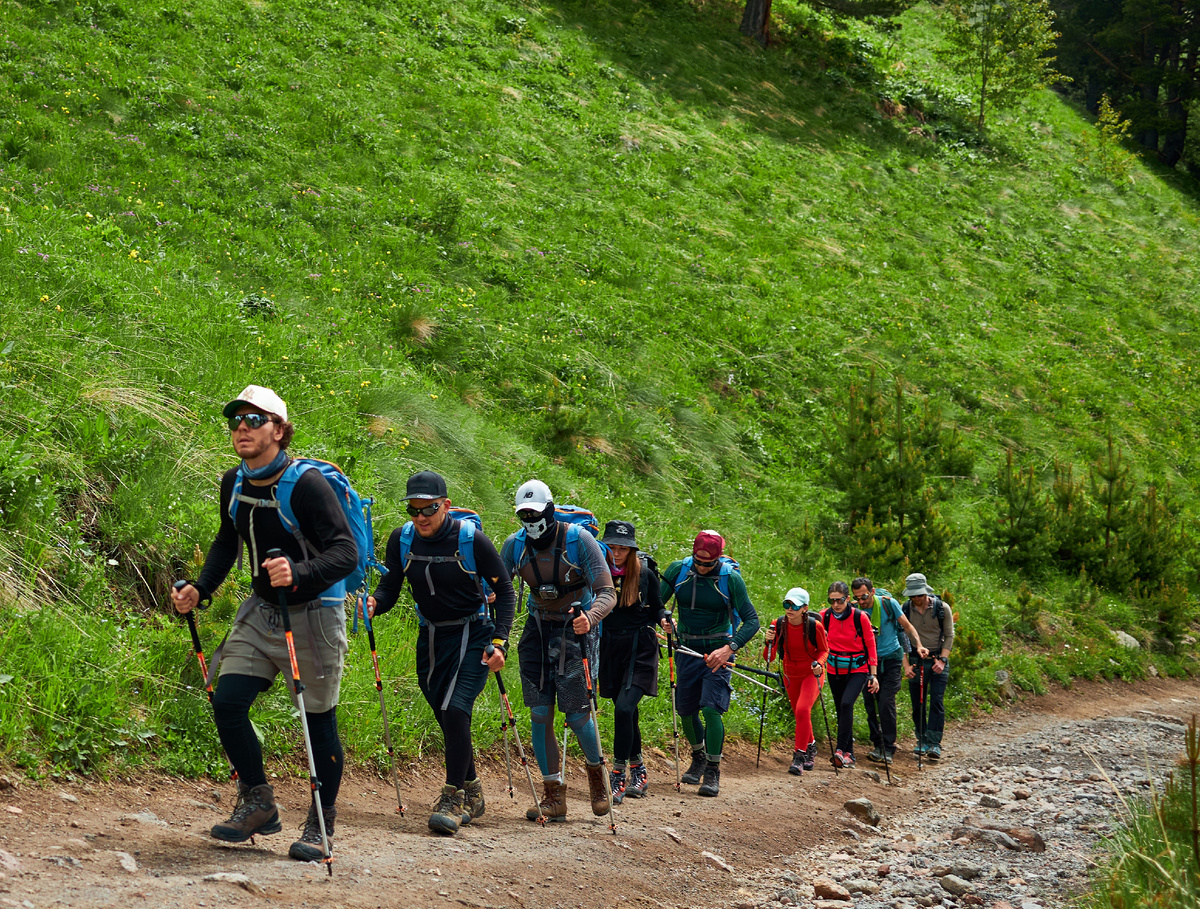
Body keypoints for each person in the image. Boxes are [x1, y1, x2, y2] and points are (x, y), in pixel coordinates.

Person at [170, 385, 357, 861]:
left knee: (319, 724)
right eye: (236, 421)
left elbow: (345, 553)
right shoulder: (233, 481)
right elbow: (225, 541)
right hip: (260, 611)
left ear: (279, 429)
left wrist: (299, 572)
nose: (241, 429)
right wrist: (201, 589)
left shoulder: (308, 485)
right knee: (228, 701)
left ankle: (321, 821)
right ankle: (258, 802)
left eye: (254, 421)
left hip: (316, 615)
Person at [365, 471, 516, 835]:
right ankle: (473, 790)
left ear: (445, 505)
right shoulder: (401, 540)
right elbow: (390, 586)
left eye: (429, 509)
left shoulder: (471, 540)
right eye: (413, 510)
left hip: (473, 632)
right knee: (444, 712)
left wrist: (499, 642)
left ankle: (452, 798)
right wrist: (373, 603)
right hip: (431, 637)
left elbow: (506, 592)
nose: (420, 517)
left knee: (455, 708)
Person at [499, 480, 617, 822]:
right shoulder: (514, 546)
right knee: (539, 713)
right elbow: (500, 589)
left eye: (535, 513)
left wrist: (590, 618)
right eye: (523, 514)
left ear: (550, 510)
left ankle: (598, 777)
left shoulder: (580, 541)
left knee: (577, 716)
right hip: (537, 628)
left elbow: (607, 592)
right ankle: (554, 797)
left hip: (576, 628)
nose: (530, 520)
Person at [660, 530, 760, 797]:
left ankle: (713, 769)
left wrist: (730, 648)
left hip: (719, 650)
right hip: (686, 649)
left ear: (718, 559)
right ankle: (699, 756)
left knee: (711, 708)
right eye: (698, 562)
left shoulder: (731, 579)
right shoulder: (678, 571)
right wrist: (663, 620)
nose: (702, 568)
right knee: (686, 709)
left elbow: (752, 620)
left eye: (709, 564)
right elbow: (655, 604)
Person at [597, 520, 666, 803]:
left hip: (640, 647)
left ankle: (617, 775)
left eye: (622, 548)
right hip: (610, 646)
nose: (616, 552)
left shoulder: (645, 574)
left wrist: (665, 620)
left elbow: (658, 607)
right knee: (626, 710)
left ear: (632, 549)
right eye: (611, 546)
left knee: (625, 708)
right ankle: (639, 769)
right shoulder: (599, 572)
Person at [852, 577, 929, 766]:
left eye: (864, 596)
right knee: (871, 703)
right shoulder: (854, 610)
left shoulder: (888, 604)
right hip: (867, 662)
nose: (861, 601)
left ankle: (888, 747)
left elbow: (907, 627)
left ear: (872, 590)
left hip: (891, 659)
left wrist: (918, 645)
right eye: (857, 598)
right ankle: (877, 744)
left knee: (886, 701)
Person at [762, 588, 829, 775]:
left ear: (805, 608)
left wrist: (820, 664)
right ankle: (811, 746)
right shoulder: (778, 625)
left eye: (795, 606)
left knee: (802, 709)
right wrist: (768, 642)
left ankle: (799, 756)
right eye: (786, 604)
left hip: (811, 673)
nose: (789, 609)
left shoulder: (815, 626)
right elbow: (770, 658)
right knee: (800, 714)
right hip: (790, 673)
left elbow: (825, 650)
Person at [819, 581, 878, 769]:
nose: (836, 605)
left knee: (846, 704)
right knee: (842, 709)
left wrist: (873, 675)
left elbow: (871, 646)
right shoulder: (824, 616)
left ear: (848, 599)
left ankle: (839, 750)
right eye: (832, 600)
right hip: (834, 669)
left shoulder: (860, 617)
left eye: (840, 600)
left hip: (858, 670)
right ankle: (849, 754)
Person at [901, 572, 954, 762]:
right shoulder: (905, 609)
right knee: (918, 702)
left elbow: (949, 635)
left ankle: (934, 743)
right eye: (912, 595)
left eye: (919, 595)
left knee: (936, 701)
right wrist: (906, 665)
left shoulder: (942, 608)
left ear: (926, 593)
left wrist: (943, 660)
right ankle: (921, 740)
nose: (916, 598)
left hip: (938, 658)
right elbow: (901, 639)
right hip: (916, 660)